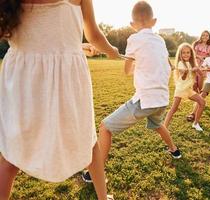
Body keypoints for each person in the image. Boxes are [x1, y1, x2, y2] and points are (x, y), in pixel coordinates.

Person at [0, 0, 119, 199]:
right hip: (67, 80)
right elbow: (95, 35)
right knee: (87, 140)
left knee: (12, 154)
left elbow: (38, 37)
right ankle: (102, 197)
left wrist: (74, 45)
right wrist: (111, 51)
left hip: (23, 81)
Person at [81, 1, 182, 199]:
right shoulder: (160, 41)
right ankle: (174, 150)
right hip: (162, 99)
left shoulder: (133, 39)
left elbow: (127, 71)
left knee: (105, 127)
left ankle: (93, 174)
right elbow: (166, 65)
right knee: (158, 124)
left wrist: (134, 63)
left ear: (131, 24)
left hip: (145, 100)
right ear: (154, 21)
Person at [164, 43, 205, 131]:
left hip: (188, 90)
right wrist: (185, 72)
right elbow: (183, 78)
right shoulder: (180, 63)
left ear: (191, 54)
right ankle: (164, 127)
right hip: (180, 89)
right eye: (183, 53)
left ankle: (195, 123)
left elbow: (202, 76)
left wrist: (197, 70)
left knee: (202, 102)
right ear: (180, 54)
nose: (186, 54)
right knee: (173, 109)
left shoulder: (192, 64)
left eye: (188, 52)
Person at [187, 30, 210, 122]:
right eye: (203, 35)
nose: (205, 37)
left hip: (202, 68)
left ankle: (200, 101)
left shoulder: (209, 47)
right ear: (201, 36)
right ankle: (199, 101)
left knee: (200, 87)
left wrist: (204, 58)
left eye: (207, 35)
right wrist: (198, 57)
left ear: (209, 37)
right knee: (194, 86)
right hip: (194, 66)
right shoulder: (196, 44)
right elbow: (191, 54)